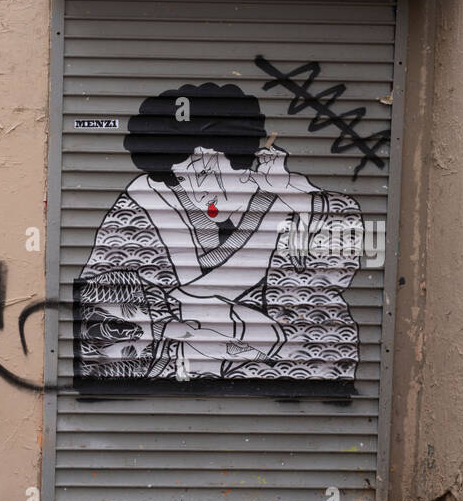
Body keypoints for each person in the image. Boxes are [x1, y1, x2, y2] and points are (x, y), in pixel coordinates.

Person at [75, 82, 363, 382]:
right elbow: (97, 320)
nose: (200, 191)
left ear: (240, 159)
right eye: (184, 178)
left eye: (207, 173)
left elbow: (338, 273)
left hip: (300, 383)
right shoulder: (140, 208)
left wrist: (298, 197)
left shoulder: (288, 195)